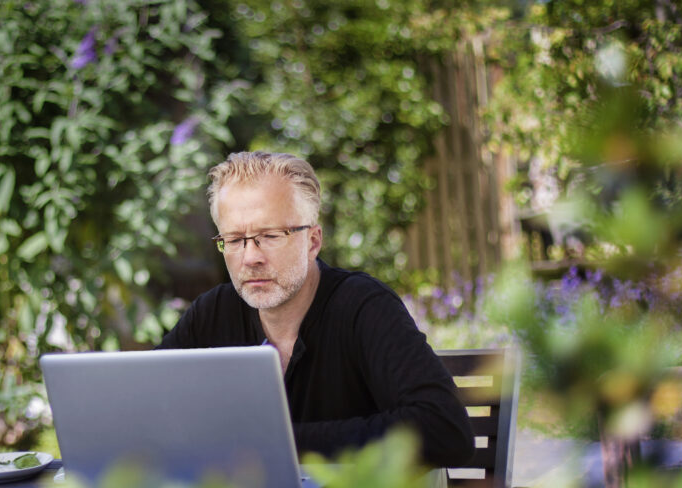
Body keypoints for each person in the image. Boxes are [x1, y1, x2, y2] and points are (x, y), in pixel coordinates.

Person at [157, 151, 474, 467]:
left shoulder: (364, 307)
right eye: (235, 240)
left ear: (312, 241)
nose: (250, 257)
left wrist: (276, 443)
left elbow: (445, 430)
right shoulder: (212, 313)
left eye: (269, 236)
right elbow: (146, 405)